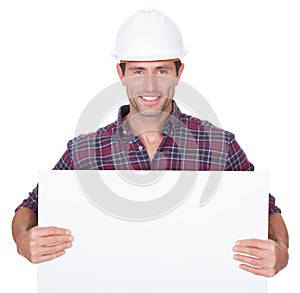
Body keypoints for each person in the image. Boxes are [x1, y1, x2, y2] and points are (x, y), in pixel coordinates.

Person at [12, 9, 289, 277]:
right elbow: (31, 208)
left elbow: (267, 212)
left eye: (162, 70)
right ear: (121, 74)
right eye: (137, 71)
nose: (150, 86)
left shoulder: (219, 145)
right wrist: (25, 241)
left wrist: (281, 251)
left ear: (179, 73)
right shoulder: (85, 150)